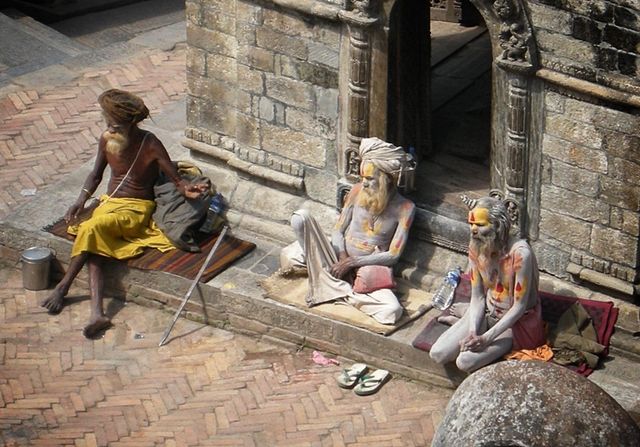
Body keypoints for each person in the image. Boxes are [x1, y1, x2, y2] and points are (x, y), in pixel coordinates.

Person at [41, 89, 209, 337]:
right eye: (108, 122)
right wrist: (81, 200)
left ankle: (63, 287)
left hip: (136, 211)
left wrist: (190, 188)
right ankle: (98, 314)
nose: (110, 128)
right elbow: (96, 174)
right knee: (95, 244)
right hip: (108, 204)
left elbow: (176, 180)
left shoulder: (150, 143)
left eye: (116, 125)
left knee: (91, 229)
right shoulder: (106, 138)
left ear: (131, 123)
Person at [280, 137, 416, 324]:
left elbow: (393, 256)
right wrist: (343, 258)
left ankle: (337, 289)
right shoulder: (357, 191)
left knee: (392, 311)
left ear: (387, 180)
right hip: (336, 258)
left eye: (370, 179)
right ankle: (336, 285)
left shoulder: (406, 208)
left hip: (365, 271)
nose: (365, 183)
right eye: (363, 178)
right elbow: (338, 231)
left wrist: (352, 263)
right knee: (300, 219)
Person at [429, 196, 546, 372]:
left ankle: (465, 319)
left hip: (515, 325)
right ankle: (466, 321)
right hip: (486, 311)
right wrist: (473, 332)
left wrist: (486, 339)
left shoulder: (521, 254)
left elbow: (519, 307)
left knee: (465, 362)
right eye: (471, 224)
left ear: (498, 226)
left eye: (480, 225)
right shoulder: (476, 247)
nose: (473, 230)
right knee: (438, 353)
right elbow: (478, 297)